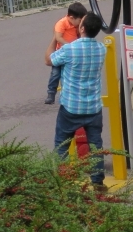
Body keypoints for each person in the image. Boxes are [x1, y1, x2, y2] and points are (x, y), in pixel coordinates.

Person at [46, 12, 108, 192]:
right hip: (93, 107)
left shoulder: (70, 49)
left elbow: (48, 60)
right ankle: (97, 182)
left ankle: (63, 182)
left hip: (71, 107)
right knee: (96, 145)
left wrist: (54, 38)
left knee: (62, 145)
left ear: (81, 28)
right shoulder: (101, 49)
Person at [45, 2, 88, 104]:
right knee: (55, 73)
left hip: (73, 52)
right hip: (61, 52)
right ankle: (51, 93)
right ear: (72, 18)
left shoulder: (76, 25)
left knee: (70, 74)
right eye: (79, 20)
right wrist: (69, 45)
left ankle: (69, 94)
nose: (80, 22)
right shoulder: (61, 23)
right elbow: (58, 37)